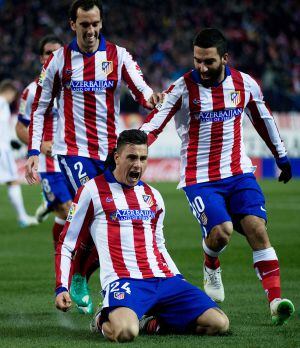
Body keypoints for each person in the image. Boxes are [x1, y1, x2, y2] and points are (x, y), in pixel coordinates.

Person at [140, 28, 295, 325]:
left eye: (209, 61)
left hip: (238, 172)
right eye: (197, 60)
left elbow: (263, 119)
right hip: (200, 178)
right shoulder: (182, 88)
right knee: (222, 230)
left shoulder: (243, 84)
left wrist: (281, 156)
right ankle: (211, 262)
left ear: (224, 58)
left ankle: (275, 302)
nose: (202, 67)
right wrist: (132, 145)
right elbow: (154, 124)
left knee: (257, 230)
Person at [25, 0, 163, 313]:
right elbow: (41, 107)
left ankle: (80, 276)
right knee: (97, 210)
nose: (91, 30)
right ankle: (74, 277)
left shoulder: (118, 55)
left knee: (115, 216)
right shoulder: (59, 60)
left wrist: (153, 97)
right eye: (85, 24)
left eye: (96, 24)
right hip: (74, 151)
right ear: (72, 25)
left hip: (112, 152)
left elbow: (141, 91)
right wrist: (34, 150)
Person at [55, 129, 229, 342]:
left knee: (218, 323)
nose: (138, 164)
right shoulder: (91, 191)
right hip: (125, 280)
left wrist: (177, 277)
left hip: (164, 279)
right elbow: (67, 243)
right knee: (125, 332)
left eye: (143, 158)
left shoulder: (153, 196)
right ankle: (102, 317)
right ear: (117, 157)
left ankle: (150, 323)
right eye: (132, 157)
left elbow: (159, 245)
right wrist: (61, 287)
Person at [16, 35, 73, 250]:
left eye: (58, 52)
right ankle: (64, 258)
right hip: (50, 163)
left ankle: (49, 203)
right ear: (41, 58)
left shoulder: (75, 88)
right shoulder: (31, 91)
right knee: (69, 212)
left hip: (73, 158)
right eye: (49, 53)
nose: (53, 57)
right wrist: (39, 146)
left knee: (77, 211)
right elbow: (20, 127)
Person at [0, 80, 38, 227]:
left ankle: (22, 216)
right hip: (3, 150)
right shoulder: (2, 103)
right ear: (9, 92)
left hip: (4, 145)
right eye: (13, 96)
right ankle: (22, 217)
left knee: (12, 181)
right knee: (13, 181)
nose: (12, 100)